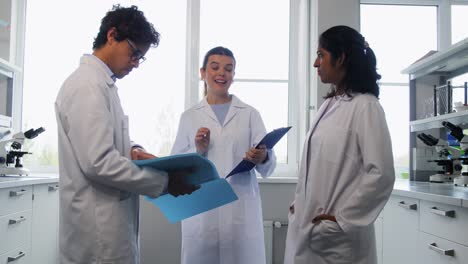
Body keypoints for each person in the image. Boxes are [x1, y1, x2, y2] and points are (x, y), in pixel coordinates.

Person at [55, 5, 197, 264]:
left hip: (109, 224)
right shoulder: (87, 85)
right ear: (112, 36)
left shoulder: (102, 84)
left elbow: (106, 139)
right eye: (133, 53)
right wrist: (164, 182)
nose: (135, 64)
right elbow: (99, 162)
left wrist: (134, 150)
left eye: (140, 58)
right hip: (98, 233)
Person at [283, 25, 395, 264]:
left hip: (337, 240)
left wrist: (342, 221)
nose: (316, 63)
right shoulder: (329, 104)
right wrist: (298, 205)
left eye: (321, 54)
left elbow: (381, 175)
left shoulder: (366, 106)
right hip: (308, 228)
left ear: (341, 57)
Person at [171, 46, 277, 264]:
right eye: (215, 67)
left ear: (234, 75)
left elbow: (268, 163)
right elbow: (175, 166)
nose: (222, 73)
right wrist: (198, 150)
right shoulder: (189, 117)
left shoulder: (249, 114)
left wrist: (262, 157)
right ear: (203, 73)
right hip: (202, 211)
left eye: (228, 69)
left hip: (240, 208)